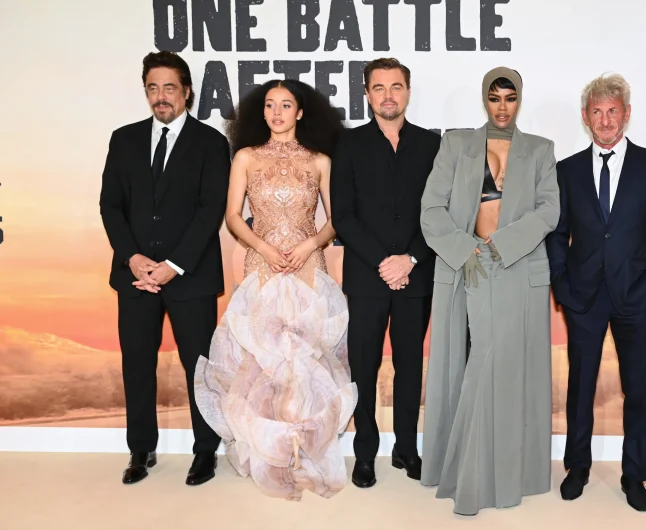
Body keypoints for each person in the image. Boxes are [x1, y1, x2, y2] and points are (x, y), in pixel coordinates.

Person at [193, 78, 357, 501]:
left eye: (286, 105)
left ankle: (304, 451)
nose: (277, 112)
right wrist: (263, 247)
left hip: (308, 264)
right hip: (261, 263)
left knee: (306, 358)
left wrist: (309, 245)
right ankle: (269, 455)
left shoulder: (320, 160)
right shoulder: (246, 157)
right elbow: (233, 216)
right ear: (261, 111)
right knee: (262, 361)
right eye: (270, 105)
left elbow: (337, 219)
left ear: (300, 112)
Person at [419, 67, 559, 516]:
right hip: (469, 264)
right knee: (476, 360)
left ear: (520, 100)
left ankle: (502, 474)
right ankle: (466, 471)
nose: (502, 107)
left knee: (508, 367)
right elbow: (431, 208)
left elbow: (549, 210)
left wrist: (504, 244)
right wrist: (465, 249)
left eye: (510, 98)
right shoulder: (456, 145)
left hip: (517, 266)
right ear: (485, 99)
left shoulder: (540, 149)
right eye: (495, 98)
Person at [545, 73, 646, 512]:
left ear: (626, 114)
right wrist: (561, 284)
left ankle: (634, 475)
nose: (605, 120)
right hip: (582, 296)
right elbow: (556, 234)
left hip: (636, 296)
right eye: (597, 112)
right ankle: (577, 468)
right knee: (580, 386)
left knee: (637, 389)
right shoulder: (566, 170)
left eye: (613, 111)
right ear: (586, 117)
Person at [99, 51, 230, 485]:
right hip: (135, 276)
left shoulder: (211, 143)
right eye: (152, 88)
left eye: (169, 87)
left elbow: (210, 210)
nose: (161, 96)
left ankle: (205, 451)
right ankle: (141, 450)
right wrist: (133, 258)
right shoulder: (123, 139)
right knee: (137, 364)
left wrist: (174, 265)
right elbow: (110, 206)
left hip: (190, 276)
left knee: (199, 368)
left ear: (186, 91)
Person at [329, 58, 440, 488]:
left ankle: (407, 449)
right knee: (364, 366)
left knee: (410, 365)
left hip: (416, 276)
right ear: (367, 94)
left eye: (396, 87)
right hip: (366, 277)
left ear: (407, 92)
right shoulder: (349, 144)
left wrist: (409, 259)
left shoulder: (432, 145)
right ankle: (365, 453)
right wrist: (385, 262)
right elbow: (344, 215)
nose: (388, 95)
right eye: (379, 87)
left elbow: (441, 212)